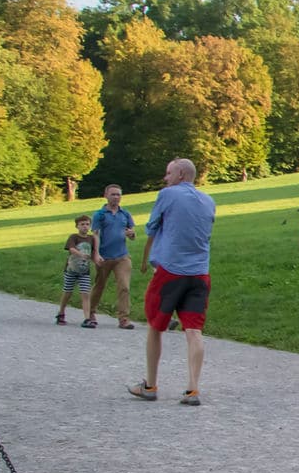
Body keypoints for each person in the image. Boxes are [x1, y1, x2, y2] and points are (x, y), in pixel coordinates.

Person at [130, 157, 216, 406]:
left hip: (170, 271)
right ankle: (193, 389)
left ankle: (150, 385)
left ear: (180, 175)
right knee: (194, 330)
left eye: (168, 173)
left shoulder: (167, 195)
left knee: (155, 326)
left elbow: (151, 227)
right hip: (199, 274)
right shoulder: (209, 200)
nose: (165, 178)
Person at [85, 184, 137, 328]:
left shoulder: (125, 214)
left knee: (124, 287)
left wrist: (131, 234)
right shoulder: (100, 215)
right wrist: (96, 254)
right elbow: (95, 235)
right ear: (106, 196)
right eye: (113, 194)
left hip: (122, 256)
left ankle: (124, 319)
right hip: (104, 256)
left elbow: (132, 234)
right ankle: (90, 313)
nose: (116, 197)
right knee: (99, 285)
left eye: (118, 194)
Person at [57, 215, 97, 323]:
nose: (85, 226)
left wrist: (97, 260)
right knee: (68, 291)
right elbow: (71, 249)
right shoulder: (74, 237)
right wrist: (81, 254)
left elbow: (93, 252)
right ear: (77, 226)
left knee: (85, 293)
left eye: (87, 224)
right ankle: (61, 312)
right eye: (82, 224)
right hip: (71, 270)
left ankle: (87, 318)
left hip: (84, 271)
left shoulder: (91, 239)